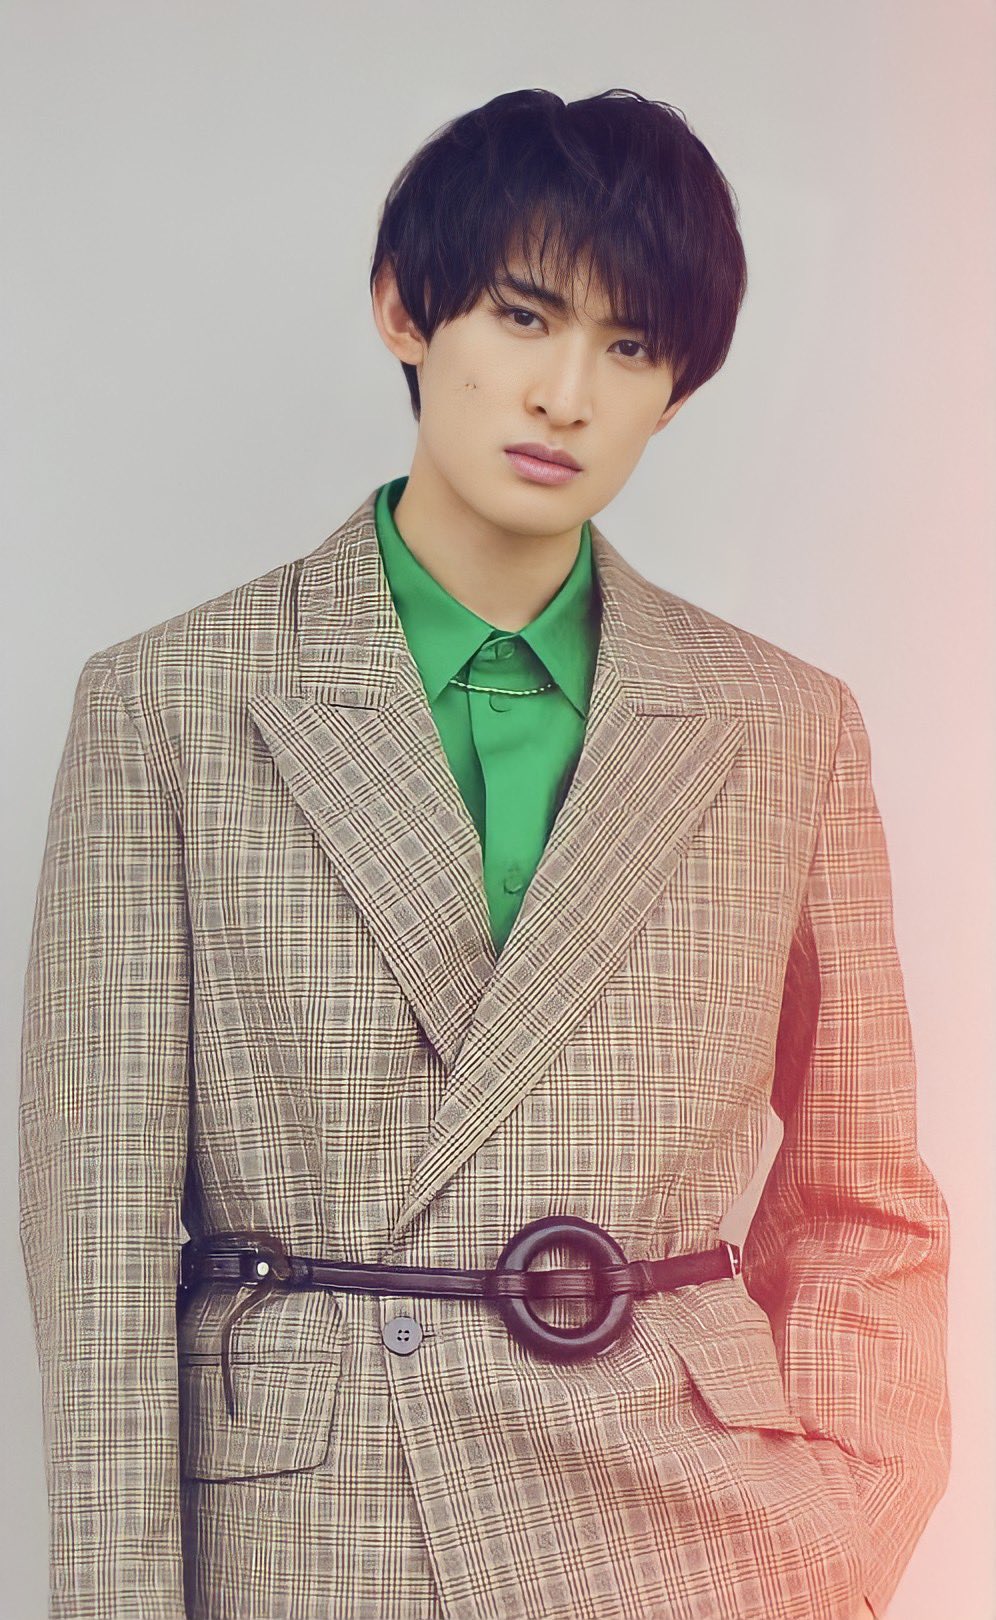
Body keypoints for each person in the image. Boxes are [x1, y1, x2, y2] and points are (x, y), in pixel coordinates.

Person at [19, 86, 949, 1620]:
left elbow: (864, 1198)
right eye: (524, 316)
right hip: (324, 1536)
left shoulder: (783, 727)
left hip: (697, 1535)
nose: (566, 394)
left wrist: (849, 1515)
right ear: (406, 308)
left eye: (630, 347)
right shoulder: (171, 704)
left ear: (677, 391)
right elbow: (98, 1238)